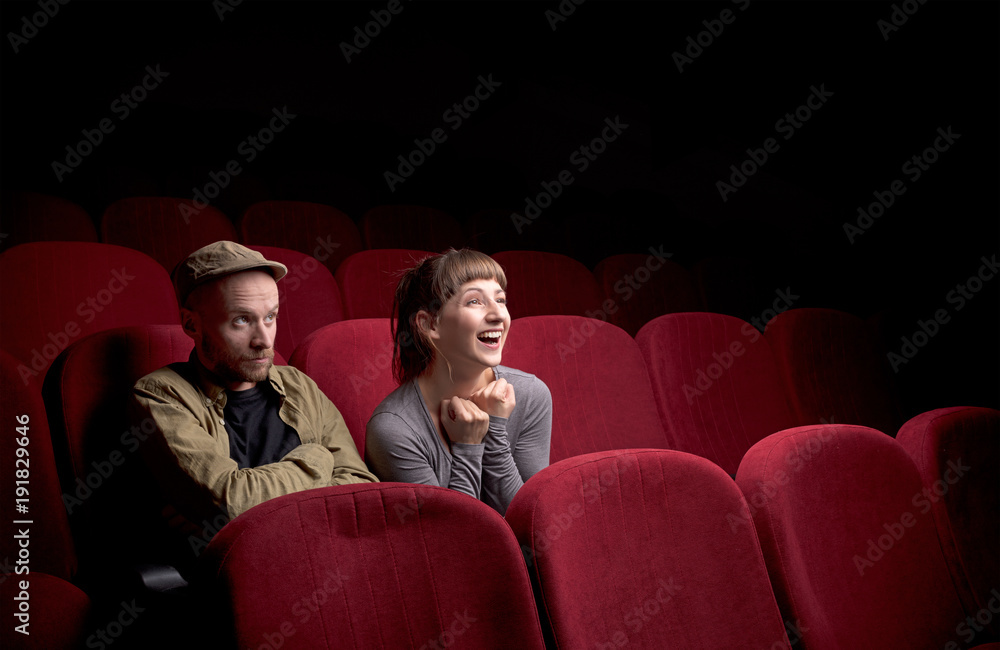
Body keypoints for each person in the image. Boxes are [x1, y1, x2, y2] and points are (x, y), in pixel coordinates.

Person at [130, 241, 377, 535]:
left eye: (270, 317)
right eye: (242, 320)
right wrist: (319, 459)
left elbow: (361, 490)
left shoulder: (298, 385)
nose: (265, 340)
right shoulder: (162, 394)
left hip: (322, 551)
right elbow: (231, 501)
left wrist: (220, 516)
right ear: (191, 324)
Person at [365, 248, 552, 515]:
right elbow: (454, 534)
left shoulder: (531, 394)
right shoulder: (393, 429)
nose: (498, 315)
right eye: (474, 301)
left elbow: (530, 520)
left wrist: (495, 431)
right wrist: (468, 447)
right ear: (430, 324)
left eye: (500, 300)